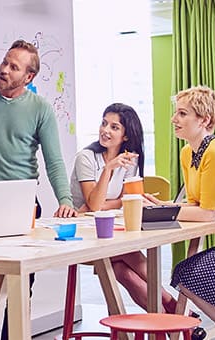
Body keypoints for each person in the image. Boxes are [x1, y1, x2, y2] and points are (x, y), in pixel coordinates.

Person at [0, 39, 77, 339]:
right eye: (5, 62)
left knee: (20, 283)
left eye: (14, 67)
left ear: (29, 77)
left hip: (24, 207)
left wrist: (65, 200)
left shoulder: (40, 108)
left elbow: (54, 160)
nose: (4, 70)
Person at [69, 103, 182, 314]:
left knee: (123, 271)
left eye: (114, 127)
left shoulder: (129, 160)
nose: (105, 130)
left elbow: (125, 199)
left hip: (111, 232)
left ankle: (167, 319)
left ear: (126, 136)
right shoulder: (86, 157)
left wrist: (104, 204)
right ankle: (173, 308)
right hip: (85, 235)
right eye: (104, 124)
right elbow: (94, 204)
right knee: (131, 254)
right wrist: (108, 170)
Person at [145, 85, 215, 336]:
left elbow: (207, 213)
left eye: (182, 113)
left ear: (205, 120)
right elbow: (195, 204)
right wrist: (164, 207)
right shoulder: (187, 152)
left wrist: (165, 212)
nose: (174, 119)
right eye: (176, 113)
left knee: (185, 273)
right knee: (184, 273)